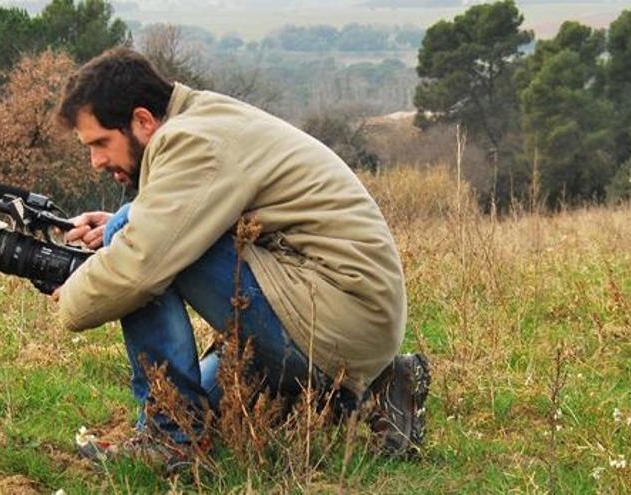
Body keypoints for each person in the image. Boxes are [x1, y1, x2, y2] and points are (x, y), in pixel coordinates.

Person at [49, 47, 430, 468]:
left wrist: (71, 295)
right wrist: (127, 222)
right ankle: (375, 388)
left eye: (101, 143)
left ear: (142, 120)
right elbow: (181, 212)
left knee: (135, 239)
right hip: (349, 319)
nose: (96, 161)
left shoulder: (193, 141)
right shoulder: (202, 121)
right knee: (212, 409)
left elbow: (140, 268)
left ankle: (171, 442)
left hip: (332, 319)